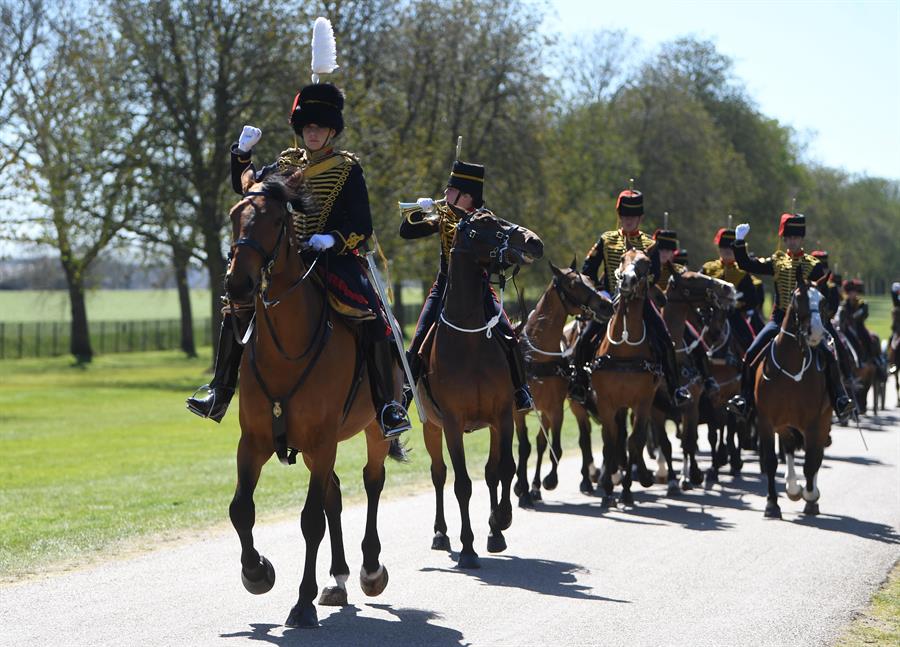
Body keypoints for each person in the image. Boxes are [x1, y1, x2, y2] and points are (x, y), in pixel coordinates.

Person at [186, 81, 411, 437]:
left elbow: (362, 226)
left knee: (371, 315)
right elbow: (249, 189)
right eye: (307, 126)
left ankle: (387, 406)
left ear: (332, 130)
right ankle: (220, 390)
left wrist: (333, 239)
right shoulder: (286, 164)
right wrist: (241, 154)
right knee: (236, 306)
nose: (313, 132)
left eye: (319, 127)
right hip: (287, 258)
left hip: (334, 258)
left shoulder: (347, 169)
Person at [399, 161, 534, 411]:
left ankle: (520, 390)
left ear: (466, 196)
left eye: (450, 190)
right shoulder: (442, 216)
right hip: (444, 288)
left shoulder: (487, 220)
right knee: (417, 339)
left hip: (479, 289)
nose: (444, 195)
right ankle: (403, 401)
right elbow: (406, 231)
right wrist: (419, 210)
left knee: (508, 335)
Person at [568, 189, 692, 408]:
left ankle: (674, 388)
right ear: (619, 216)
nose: (628, 220)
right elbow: (588, 270)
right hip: (608, 303)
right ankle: (579, 382)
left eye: (633, 217)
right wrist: (601, 293)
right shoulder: (606, 239)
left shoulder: (649, 244)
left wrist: (641, 286)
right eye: (625, 216)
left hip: (640, 302)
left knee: (664, 339)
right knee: (585, 339)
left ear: (640, 218)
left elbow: (654, 275)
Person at [725, 214, 853, 422]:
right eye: (789, 237)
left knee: (829, 353)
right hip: (780, 320)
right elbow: (748, 265)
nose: (792, 241)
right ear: (784, 239)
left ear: (801, 239)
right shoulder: (776, 261)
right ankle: (745, 399)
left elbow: (822, 295)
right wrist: (739, 243)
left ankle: (839, 398)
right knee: (750, 354)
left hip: (807, 321)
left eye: (796, 237)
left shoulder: (813, 265)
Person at [654, 229, 718, 397]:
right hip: (653, 314)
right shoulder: (649, 267)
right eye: (661, 249)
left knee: (695, 342)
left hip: (675, 316)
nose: (664, 254)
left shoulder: (680, 270)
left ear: (672, 252)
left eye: (667, 250)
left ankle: (707, 378)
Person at [700, 228, 760, 350]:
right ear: (719, 248)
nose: (727, 250)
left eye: (730, 248)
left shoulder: (742, 272)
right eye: (724, 247)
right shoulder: (707, 268)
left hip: (733, 314)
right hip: (708, 314)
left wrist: (734, 305)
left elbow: (752, 299)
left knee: (748, 341)